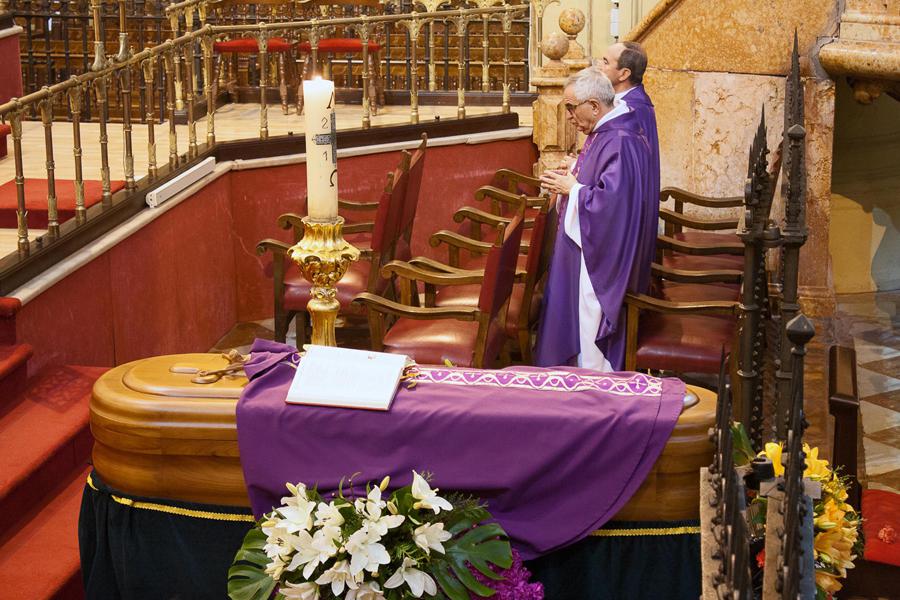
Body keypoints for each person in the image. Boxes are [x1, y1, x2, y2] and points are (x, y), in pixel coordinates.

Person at [534, 66, 655, 372]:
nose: (570, 116)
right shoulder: (611, 131)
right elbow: (605, 180)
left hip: (602, 258)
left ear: (594, 106)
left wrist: (572, 188)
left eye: (572, 108)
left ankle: (593, 382)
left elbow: (613, 204)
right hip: (587, 248)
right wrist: (578, 168)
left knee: (589, 326)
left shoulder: (620, 139)